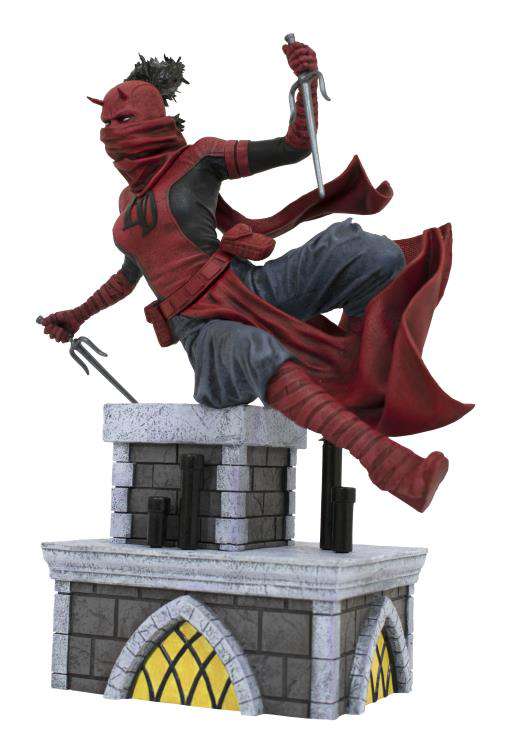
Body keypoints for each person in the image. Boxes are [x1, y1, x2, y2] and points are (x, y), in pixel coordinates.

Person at [40, 44, 472, 511]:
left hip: (249, 288)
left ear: (154, 114)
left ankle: (354, 368)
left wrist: (306, 85)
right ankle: (391, 466)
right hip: (205, 330)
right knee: (253, 349)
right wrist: (77, 315)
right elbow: (129, 276)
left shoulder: (200, 159)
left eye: (123, 117)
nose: (113, 128)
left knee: (366, 252)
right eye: (107, 121)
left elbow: (294, 147)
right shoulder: (127, 205)